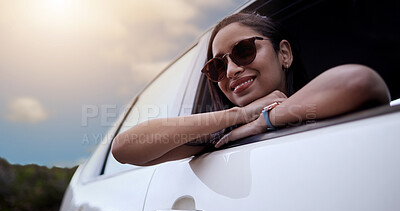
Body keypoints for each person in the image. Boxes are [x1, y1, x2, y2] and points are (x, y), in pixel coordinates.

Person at [111, 12, 390, 166]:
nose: (231, 70)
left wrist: (265, 120)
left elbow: (359, 83)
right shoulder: (219, 136)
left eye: (243, 51)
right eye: (217, 67)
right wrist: (239, 117)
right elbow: (124, 148)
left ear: (284, 54)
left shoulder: (324, 103)